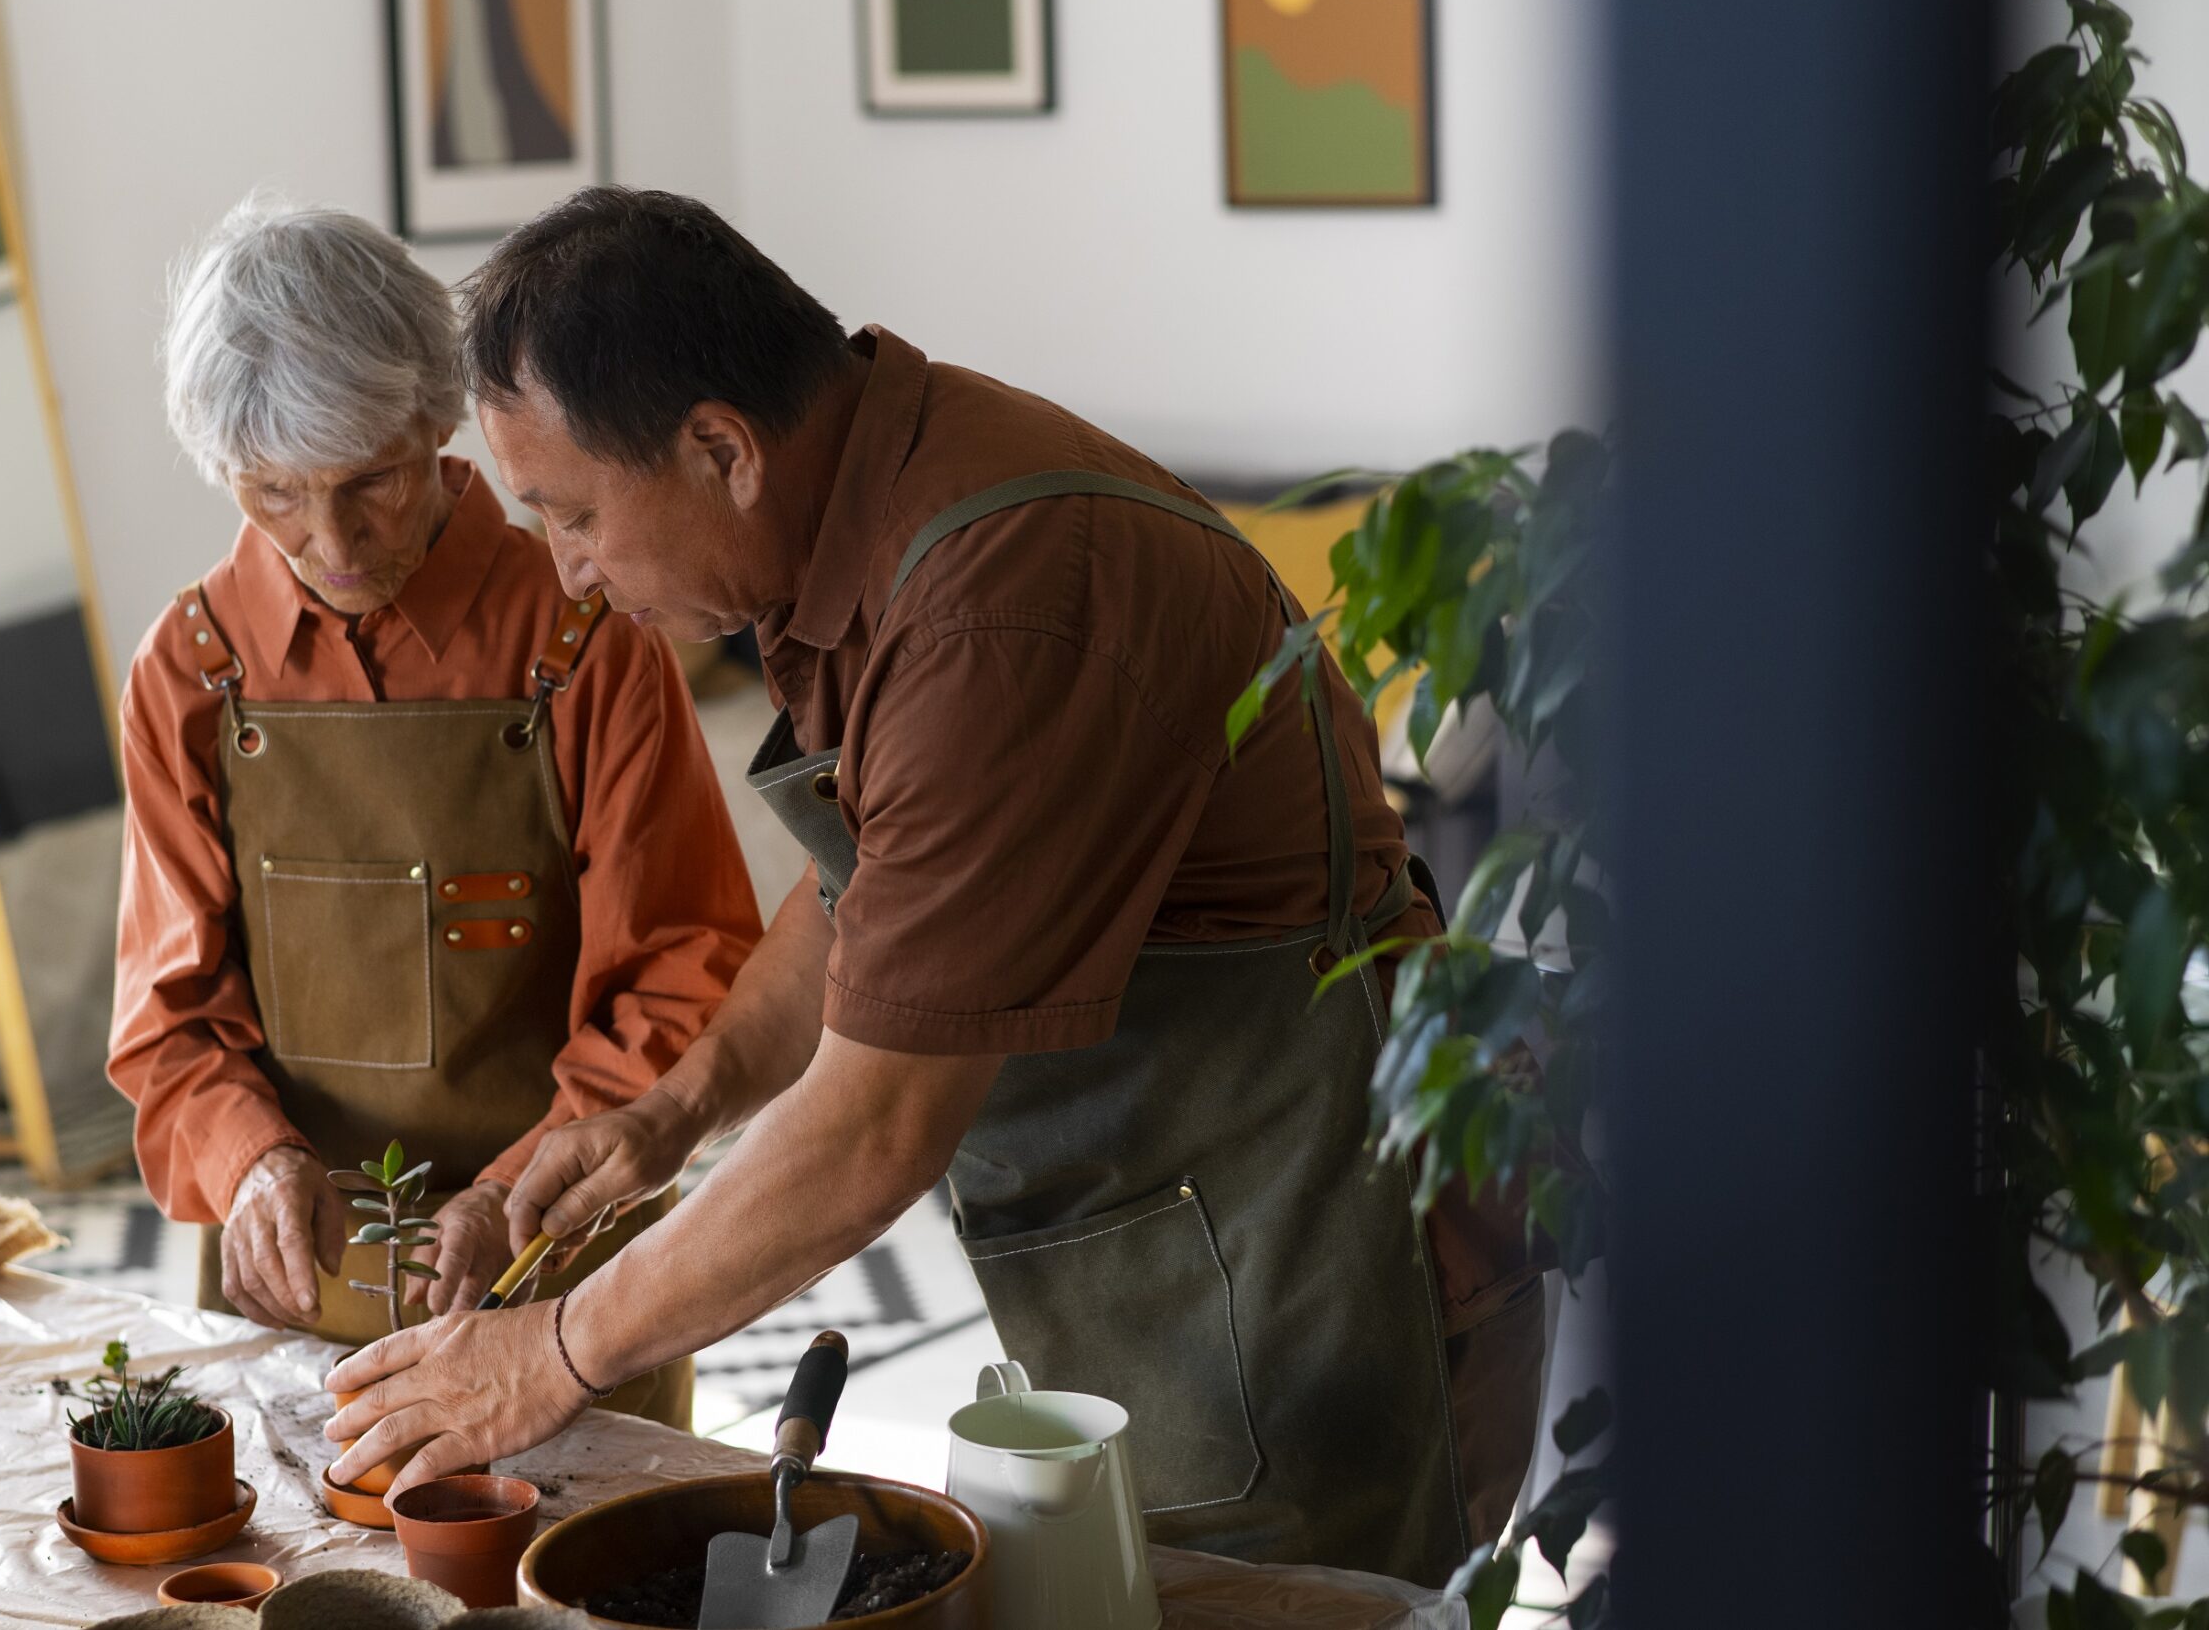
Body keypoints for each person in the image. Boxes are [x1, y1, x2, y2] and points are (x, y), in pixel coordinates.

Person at [324, 187, 1545, 1578]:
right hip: (1181, 1248)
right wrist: (673, 1111)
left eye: (575, 516)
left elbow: (873, 1126)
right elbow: (875, 882)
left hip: (1314, 1250)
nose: (576, 575)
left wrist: (549, 1351)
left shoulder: (996, 601)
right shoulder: (865, 499)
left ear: (721, 446)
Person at [110, 196, 761, 1429]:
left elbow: (685, 970)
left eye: (373, 484)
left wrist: (513, 1191)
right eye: (273, 497)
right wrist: (255, 1163)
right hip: (298, 1285)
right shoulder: (190, 666)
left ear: (437, 421)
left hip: (556, 1270)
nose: (333, 543)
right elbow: (170, 1019)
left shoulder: (586, 633)